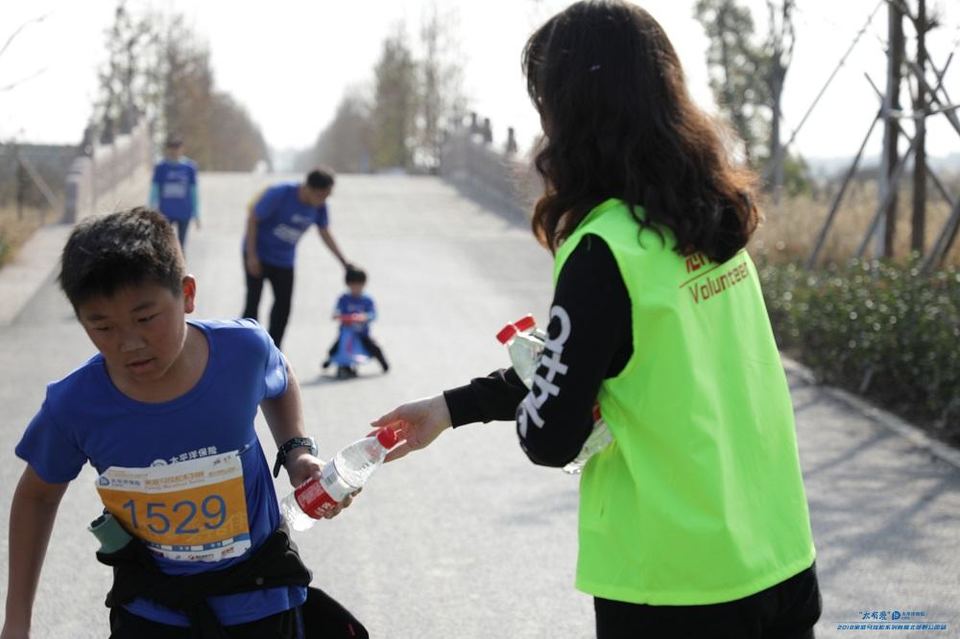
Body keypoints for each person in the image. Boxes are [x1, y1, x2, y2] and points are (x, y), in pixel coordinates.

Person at [371, 2, 821, 638]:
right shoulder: (711, 213)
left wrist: (543, 400)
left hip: (675, 586)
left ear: (571, 113)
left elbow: (550, 435)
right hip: (779, 559)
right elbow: (621, 363)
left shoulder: (604, 248)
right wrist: (451, 408)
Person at [2, 208, 361, 638]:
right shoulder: (75, 405)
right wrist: (16, 621)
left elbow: (280, 376)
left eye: (145, 318)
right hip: (152, 610)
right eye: (102, 326)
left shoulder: (242, 352)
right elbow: (37, 498)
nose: (129, 343)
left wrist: (297, 450)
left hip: (261, 601)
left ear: (187, 294)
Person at [243, 168, 351, 349]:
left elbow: (324, 232)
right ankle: (245, 348)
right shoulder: (280, 194)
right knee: (253, 304)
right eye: (320, 195)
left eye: (327, 196)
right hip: (259, 253)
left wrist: (343, 261)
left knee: (283, 307)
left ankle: (273, 352)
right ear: (307, 188)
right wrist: (252, 256)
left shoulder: (320, 206)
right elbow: (253, 219)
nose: (323, 200)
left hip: (284, 260)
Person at [321, 267, 390, 378]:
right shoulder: (343, 299)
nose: (356, 288)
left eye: (359, 285)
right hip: (346, 332)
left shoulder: (367, 300)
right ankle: (331, 360)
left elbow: (373, 314)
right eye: (353, 285)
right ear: (348, 284)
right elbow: (336, 311)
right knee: (335, 348)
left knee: (373, 347)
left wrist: (365, 317)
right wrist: (337, 315)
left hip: (362, 332)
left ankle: (383, 362)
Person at [150, 136, 199, 248]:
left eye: (177, 147)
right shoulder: (161, 167)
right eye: (172, 147)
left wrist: (196, 213)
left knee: (181, 246)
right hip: (166, 212)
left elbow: (194, 192)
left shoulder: (189, 167)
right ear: (168, 149)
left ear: (182, 149)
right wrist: (151, 209)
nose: (174, 150)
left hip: (184, 212)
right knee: (165, 245)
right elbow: (154, 189)